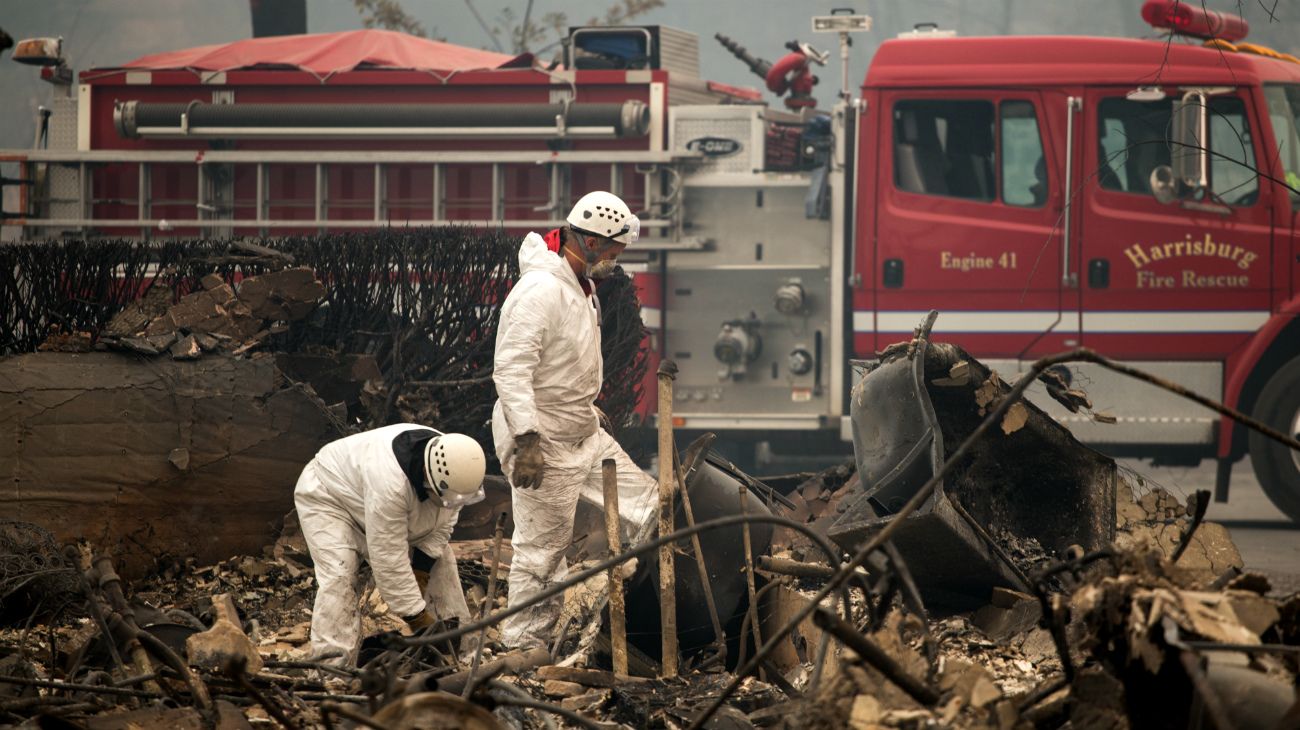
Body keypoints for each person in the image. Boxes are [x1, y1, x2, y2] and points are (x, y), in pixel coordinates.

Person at [492, 190, 659, 650]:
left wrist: (586, 405)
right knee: (542, 554)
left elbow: (561, 364)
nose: (616, 261)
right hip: (542, 441)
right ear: (587, 241)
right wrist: (527, 441)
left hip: (581, 432)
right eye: (613, 250)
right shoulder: (541, 292)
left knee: (653, 507)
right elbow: (511, 370)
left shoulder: (579, 285)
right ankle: (523, 647)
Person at [293, 424, 487, 665]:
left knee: (442, 559)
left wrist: (422, 568)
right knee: (340, 574)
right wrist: (416, 617)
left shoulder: (458, 465)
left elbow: (444, 524)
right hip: (330, 496)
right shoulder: (391, 483)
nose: (453, 505)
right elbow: (388, 557)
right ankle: (332, 669)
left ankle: (460, 653)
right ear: (428, 475)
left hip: (374, 500)